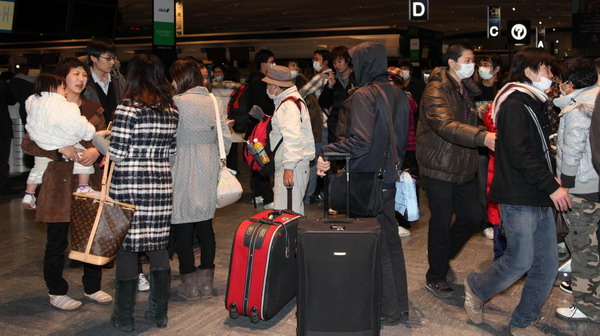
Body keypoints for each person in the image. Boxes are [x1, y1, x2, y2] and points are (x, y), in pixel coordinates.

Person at [463, 48, 572, 336]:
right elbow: (521, 153)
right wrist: (552, 186)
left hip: (539, 194)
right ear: (530, 71)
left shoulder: (536, 103)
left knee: (547, 266)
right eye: (547, 70)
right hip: (519, 195)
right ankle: (476, 287)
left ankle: (523, 321)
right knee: (520, 260)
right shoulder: (514, 103)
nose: (551, 77)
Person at [317, 41, 410, 325]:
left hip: (368, 178)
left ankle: (388, 309)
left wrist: (327, 152)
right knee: (390, 242)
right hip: (390, 176)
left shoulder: (363, 95)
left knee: (375, 244)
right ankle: (399, 304)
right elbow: (402, 140)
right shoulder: (399, 94)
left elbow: (359, 142)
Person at [94, 54, 178, 332]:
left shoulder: (127, 108)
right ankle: (159, 313)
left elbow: (117, 152)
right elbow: (172, 151)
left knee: (128, 249)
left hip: (129, 185)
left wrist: (99, 140)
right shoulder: (171, 109)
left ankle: (124, 316)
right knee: (157, 246)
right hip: (160, 185)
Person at [20, 57, 111, 311]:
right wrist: (59, 150)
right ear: (61, 80)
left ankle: (92, 286)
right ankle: (56, 290)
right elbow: (28, 143)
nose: (81, 79)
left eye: (83, 74)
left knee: (90, 236)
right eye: (75, 74)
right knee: (57, 240)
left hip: (87, 179)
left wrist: (96, 151)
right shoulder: (45, 106)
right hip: (57, 181)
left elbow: (104, 137)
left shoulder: (93, 108)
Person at [416, 42, 495, 297]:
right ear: (452, 62)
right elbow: (445, 124)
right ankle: (435, 276)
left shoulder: (464, 89)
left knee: (473, 216)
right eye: (468, 60)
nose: (472, 65)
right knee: (440, 221)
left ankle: (442, 254)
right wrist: (482, 137)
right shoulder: (435, 89)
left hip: (463, 164)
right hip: (439, 166)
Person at [169, 59, 231, 300]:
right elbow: (224, 138)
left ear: (181, 78)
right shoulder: (215, 102)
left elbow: (170, 143)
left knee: (183, 226)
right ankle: (206, 284)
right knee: (206, 226)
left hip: (182, 166)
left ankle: (190, 285)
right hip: (208, 165)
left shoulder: (176, 103)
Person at [553, 57, 600, 322]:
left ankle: (587, 306)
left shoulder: (579, 107)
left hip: (581, 186)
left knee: (583, 248)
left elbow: (573, 150)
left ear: (569, 82)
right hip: (596, 182)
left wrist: (565, 185)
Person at [22, 73, 97, 209]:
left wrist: (96, 150)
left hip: (42, 142)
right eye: (63, 88)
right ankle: (83, 186)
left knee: (38, 169)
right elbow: (79, 125)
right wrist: (89, 132)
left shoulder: (33, 103)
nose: (66, 93)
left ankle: (29, 193)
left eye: (84, 75)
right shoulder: (66, 107)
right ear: (53, 88)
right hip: (63, 146)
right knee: (82, 157)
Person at [263, 65, 314, 214]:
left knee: (287, 213)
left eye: (268, 84)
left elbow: (293, 138)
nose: (266, 87)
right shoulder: (291, 101)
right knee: (291, 209)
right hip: (295, 164)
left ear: (275, 86)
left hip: (293, 166)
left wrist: (289, 168)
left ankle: (290, 238)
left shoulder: (288, 105)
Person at [246, 49, 276, 209]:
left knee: (256, 160)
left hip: (254, 129)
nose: (273, 64)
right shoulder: (260, 82)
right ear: (263, 63)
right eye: (271, 61)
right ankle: (268, 197)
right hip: (261, 129)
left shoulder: (252, 80)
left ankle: (257, 195)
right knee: (264, 160)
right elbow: (265, 106)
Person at [83, 37, 126, 123]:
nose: (112, 62)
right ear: (93, 58)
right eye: (108, 58)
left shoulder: (119, 79)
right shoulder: (84, 82)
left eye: (114, 58)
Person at [319, 46, 356, 143]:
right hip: (335, 128)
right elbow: (324, 104)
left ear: (348, 60)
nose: (337, 65)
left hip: (353, 126)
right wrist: (329, 87)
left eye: (340, 61)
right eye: (335, 62)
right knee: (334, 156)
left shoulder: (357, 79)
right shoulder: (333, 79)